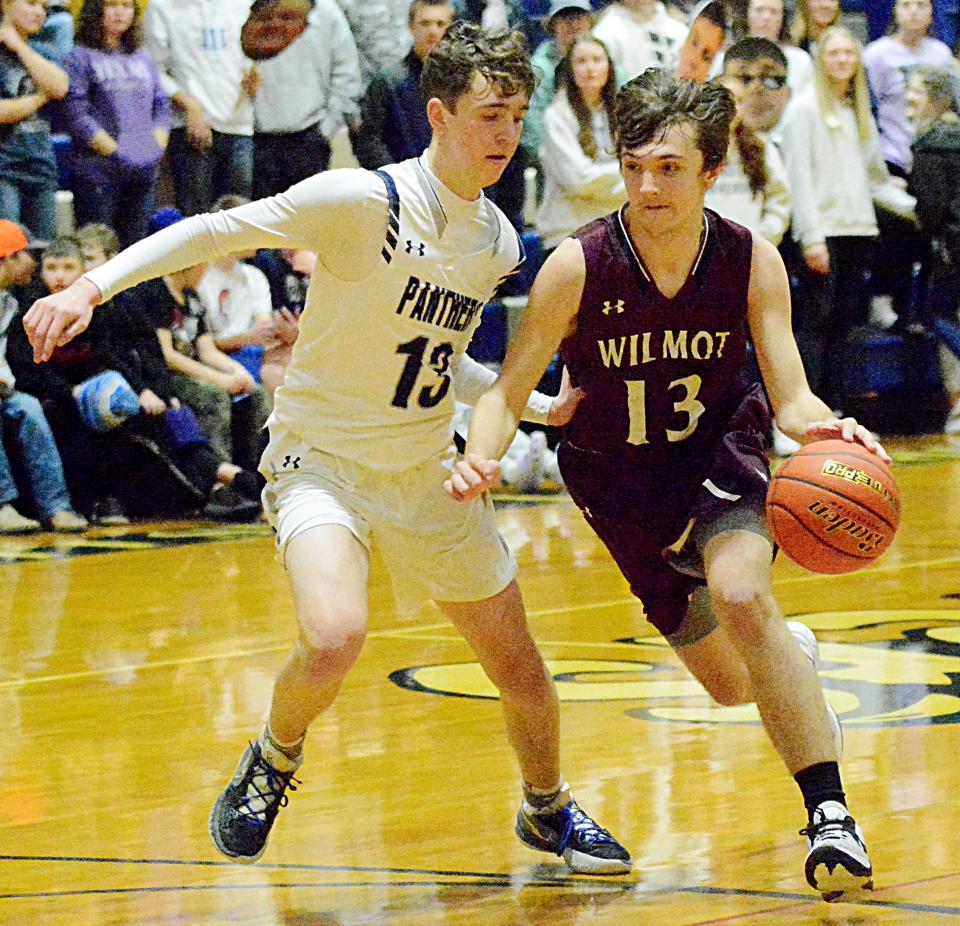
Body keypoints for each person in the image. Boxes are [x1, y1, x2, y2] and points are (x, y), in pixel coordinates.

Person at [22, 22, 631, 875]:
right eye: (491, 115)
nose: (506, 135)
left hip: (426, 470)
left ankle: (547, 808)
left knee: (523, 671)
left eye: (517, 116)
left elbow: (435, 350)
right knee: (336, 632)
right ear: (438, 116)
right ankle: (274, 756)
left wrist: (528, 403)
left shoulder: (495, 240)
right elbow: (207, 233)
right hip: (323, 464)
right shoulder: (361, 200)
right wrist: (92, 283)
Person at [448, 68, 888, 901]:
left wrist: (833, 432)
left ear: (712, 171)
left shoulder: (751, 260)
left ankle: (830, 814)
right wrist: (483, 454)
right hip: (623, 493)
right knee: (730, 686)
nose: (649, 185)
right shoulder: (576, 268)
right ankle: (785, 662)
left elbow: (791, 395)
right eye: (635, 164)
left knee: (743, 593)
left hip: (722, 459)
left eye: (671, 168)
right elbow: (509, 391)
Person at [779, 26, 916, 410]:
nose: (842, 61)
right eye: (834, 53)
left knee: (844, 325)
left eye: (849, 53)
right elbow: (798, 181)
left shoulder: (857, 113)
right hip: (823, 234)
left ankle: (835, 407)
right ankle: (804, 409)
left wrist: (912, 206)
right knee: (815, 324)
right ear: (821, 59)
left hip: (858, 230)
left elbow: (874, 180)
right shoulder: (803, 110)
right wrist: (810, 237)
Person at [0, 221, 87, 532]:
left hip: (5, 390)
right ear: (7, 259)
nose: (33, 264)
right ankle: (2, 506)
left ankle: (56, 507)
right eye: (25, 254)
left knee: (31, 409)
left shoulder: (10, 301)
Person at [64, 0, 171, 247]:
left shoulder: (143, 56)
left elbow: (161, 106)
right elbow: (77, 115)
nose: (120, 12)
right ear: (95, 11)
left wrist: (155, 147)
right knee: (100, 252)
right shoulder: (78, 57)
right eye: (112, 5)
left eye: (127, 5)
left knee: (136, 251)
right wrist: (117, 152)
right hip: (98, 174)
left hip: (143, 172)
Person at [143, 0, 256, 214]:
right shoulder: (163, 7)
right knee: (198, 218)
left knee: (241, 214)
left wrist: (256, 73)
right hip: (192, 127)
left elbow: (255, 53)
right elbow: (152, 68)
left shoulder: (244, 4)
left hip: (240, 124)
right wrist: (189, 106)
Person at [249, 0, 361, 199]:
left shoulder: (325, 11)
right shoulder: (250, 9)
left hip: (310, 139)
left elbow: (347, 71)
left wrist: (326, 128)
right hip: (257, 141)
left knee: (310, 222)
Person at [905, 65, 960, 434]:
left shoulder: (932, 144)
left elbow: (931, 207)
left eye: (916, 92)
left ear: (935, 99)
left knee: (937, 315)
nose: (909, 99)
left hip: (951, 250)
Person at [536, 35, 624, 253]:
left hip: (616, 230)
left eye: (597, 59)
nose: (590, 68)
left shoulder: (622, 113)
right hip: (567, 236)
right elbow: (579, 180)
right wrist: (626, 172)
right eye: (581, 61)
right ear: (570, 69)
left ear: (609, 66)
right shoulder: (556, 116)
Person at [348, 0, 453, 170]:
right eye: (425, 23)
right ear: (411, 26)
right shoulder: (388, 82)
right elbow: (369, 142)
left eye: (440, 24)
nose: (432, 31)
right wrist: (398, 182)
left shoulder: (462, 83)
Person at [0, 0, 69, 240]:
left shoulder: (44, 50)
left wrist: (19, 46)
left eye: (43, 6)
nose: (39, 13)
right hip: (4, 171)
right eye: (31, 3)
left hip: (41, 167)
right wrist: (41, 97)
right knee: (8, 255)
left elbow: (60, 87)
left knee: (42, 253)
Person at [520, 0, 595, 175]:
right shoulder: (539, 68)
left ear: (590, 20)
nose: (573, 24)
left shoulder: (606, 59)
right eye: (565, 18)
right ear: (552, 25)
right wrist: (555, 160)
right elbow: (532, 124)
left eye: (579, 17)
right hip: (552, 165)